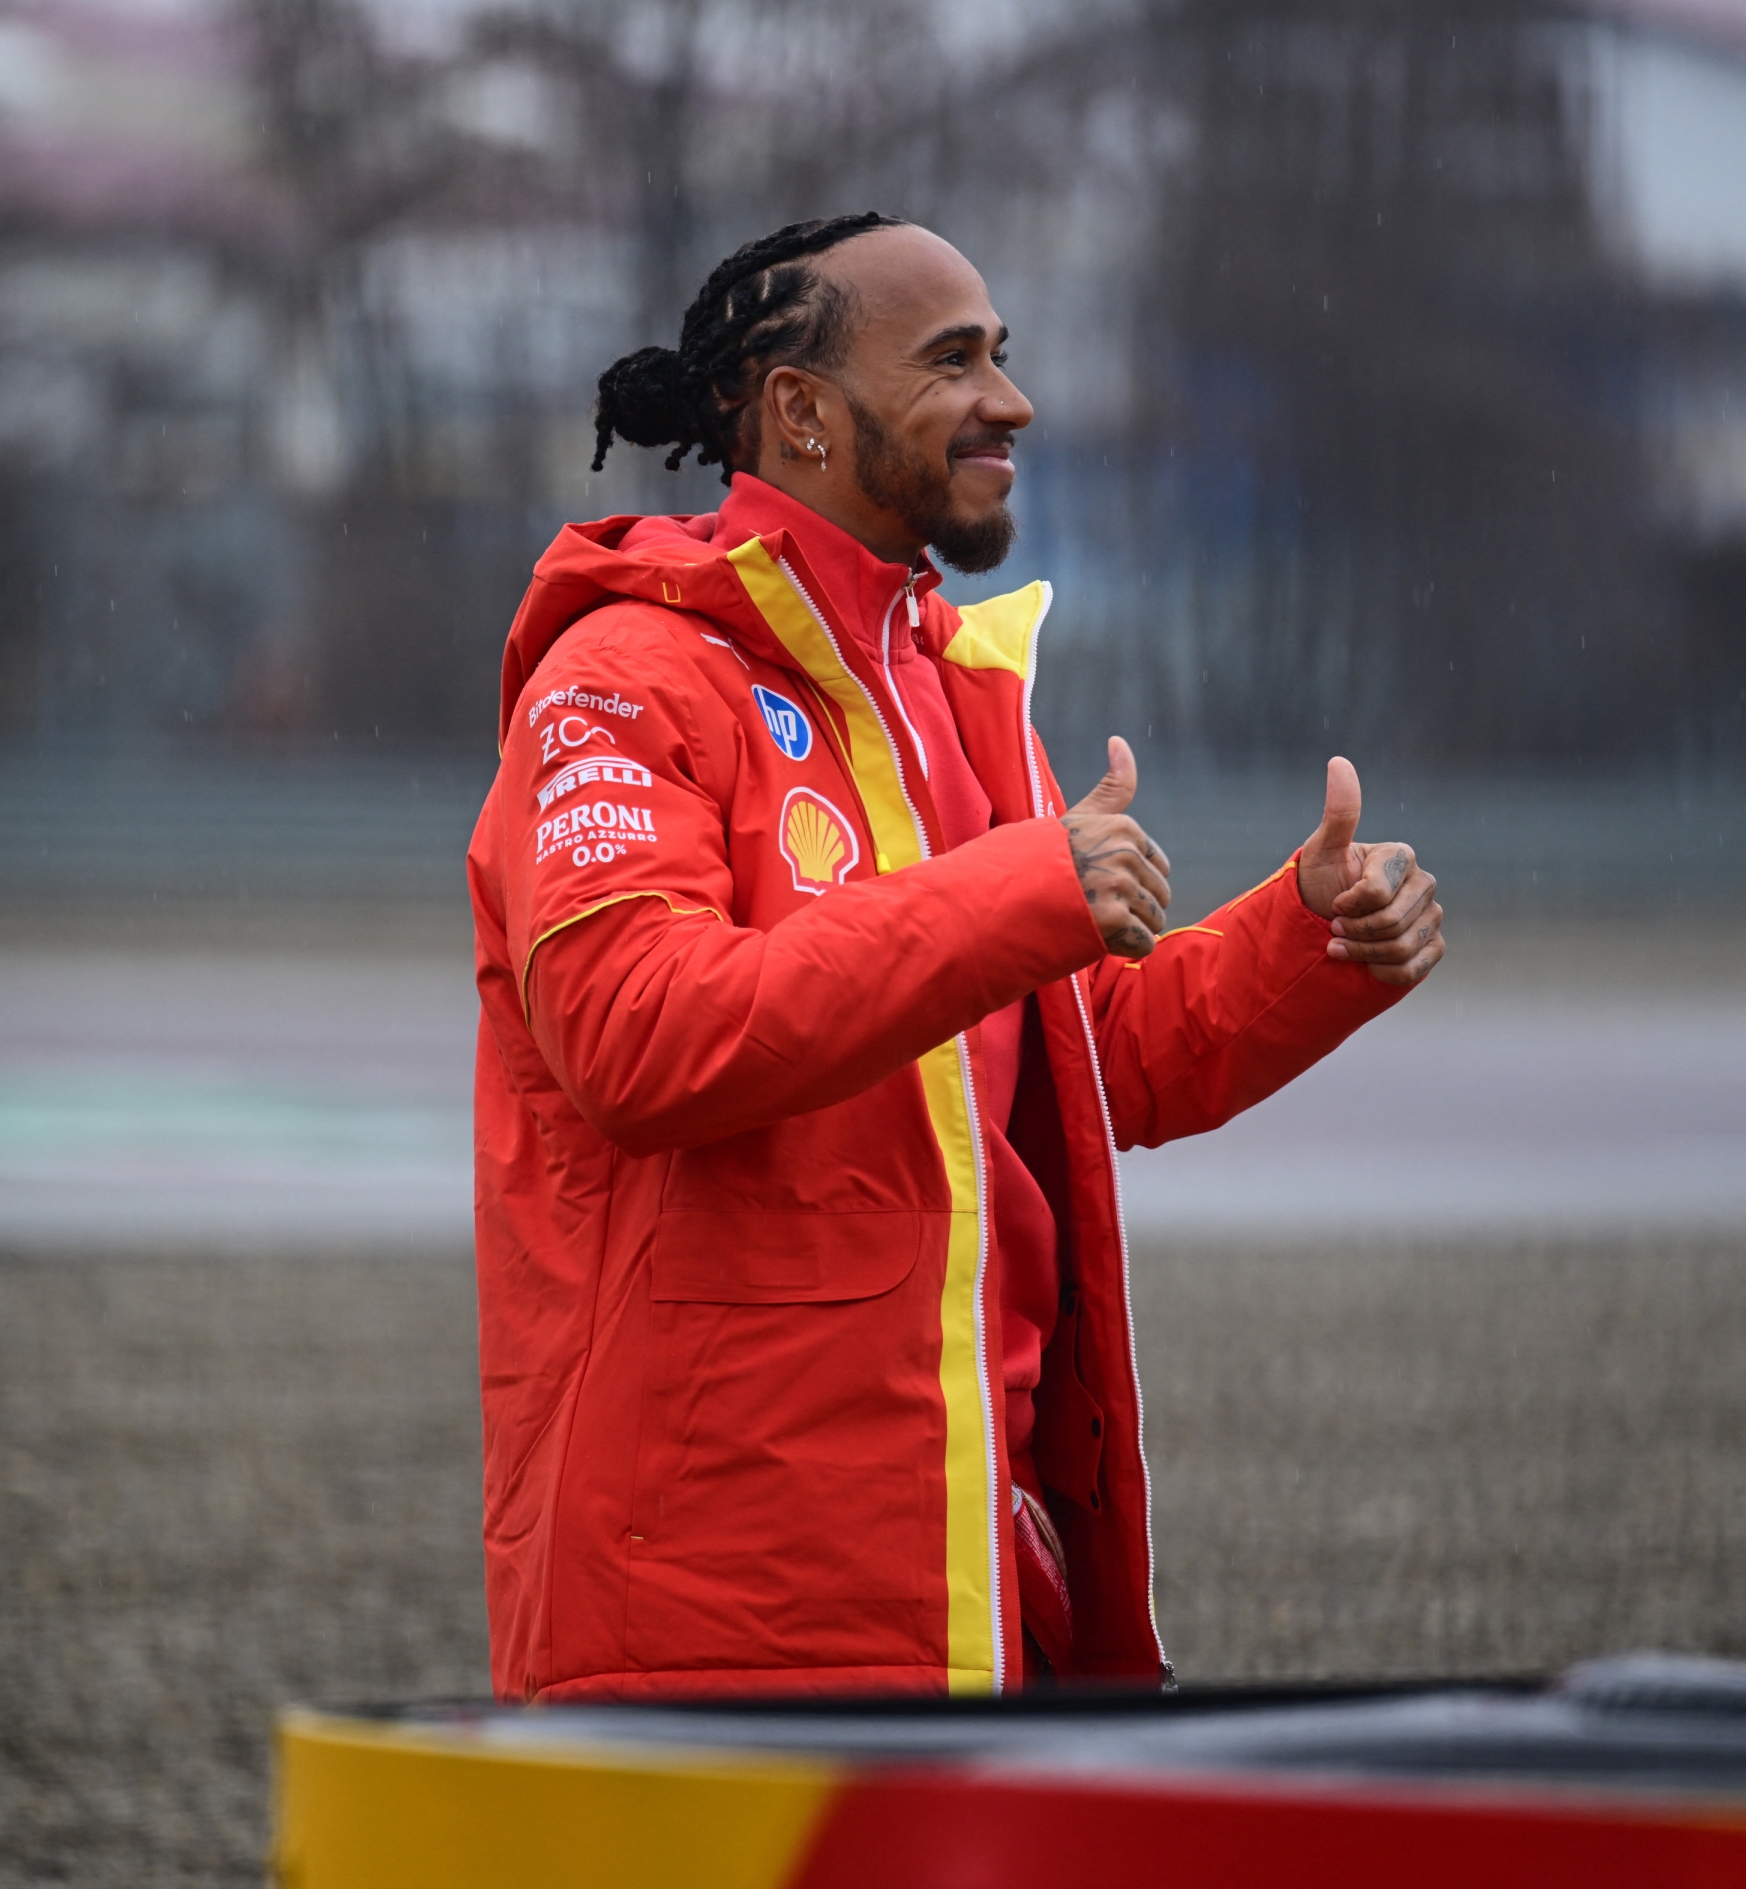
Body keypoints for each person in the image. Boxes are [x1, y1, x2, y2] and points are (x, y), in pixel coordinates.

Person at [466, 212, 1446, 1702]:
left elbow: (1082, 1067)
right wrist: (1018, 891)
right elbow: (636, 1037)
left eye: (1005, 355)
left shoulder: (958, 698)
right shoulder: (619, 681)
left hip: (983, 1592)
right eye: (953, 361)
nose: (1013, 400)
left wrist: (1307, 943)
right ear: (798, 411)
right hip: (712, 1620)